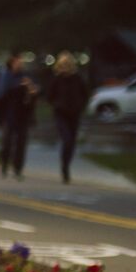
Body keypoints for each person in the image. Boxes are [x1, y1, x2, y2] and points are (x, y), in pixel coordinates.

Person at [0, 53, 38, 180]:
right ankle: (4, 164)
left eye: (21, 62)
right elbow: (2, 94)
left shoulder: (26, 76)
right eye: (18, 62)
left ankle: (18, 168)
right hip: (9, 114)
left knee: (21, 143)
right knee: (6, 142)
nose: (20, 64)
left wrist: (31, 88)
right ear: (12, 62)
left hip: (22, 114)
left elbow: (33, 93)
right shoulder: (6, 76)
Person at [46, 52, 89, 184]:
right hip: (61, 113)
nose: (65, 67)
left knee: (72, 142)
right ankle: (64, 169)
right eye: (63, 64)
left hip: (74, 114)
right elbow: (49, 96)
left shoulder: (78, 78)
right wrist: (57, 104)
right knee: (67, 139)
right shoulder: (56, 79)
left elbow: (85, 94)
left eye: (67, 64)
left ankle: (66, 164)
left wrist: (80, 105)